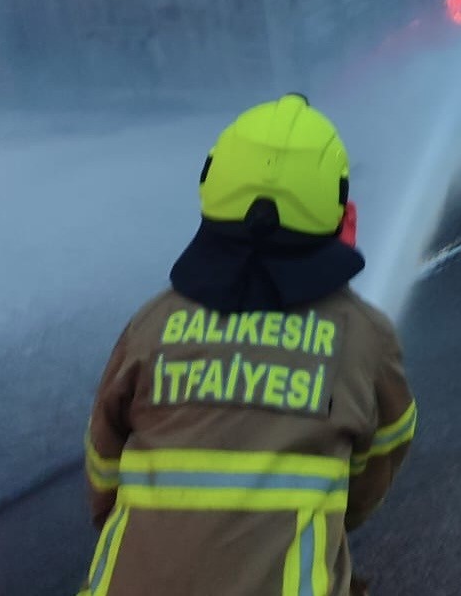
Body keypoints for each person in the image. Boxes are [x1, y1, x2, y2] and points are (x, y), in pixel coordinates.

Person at [77, 94, 416, 596]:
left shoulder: (152, 324)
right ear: (338, 205)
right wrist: (334, 516)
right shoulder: (362, 336)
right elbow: (385, 448)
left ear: (212, 183)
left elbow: (104, 463)